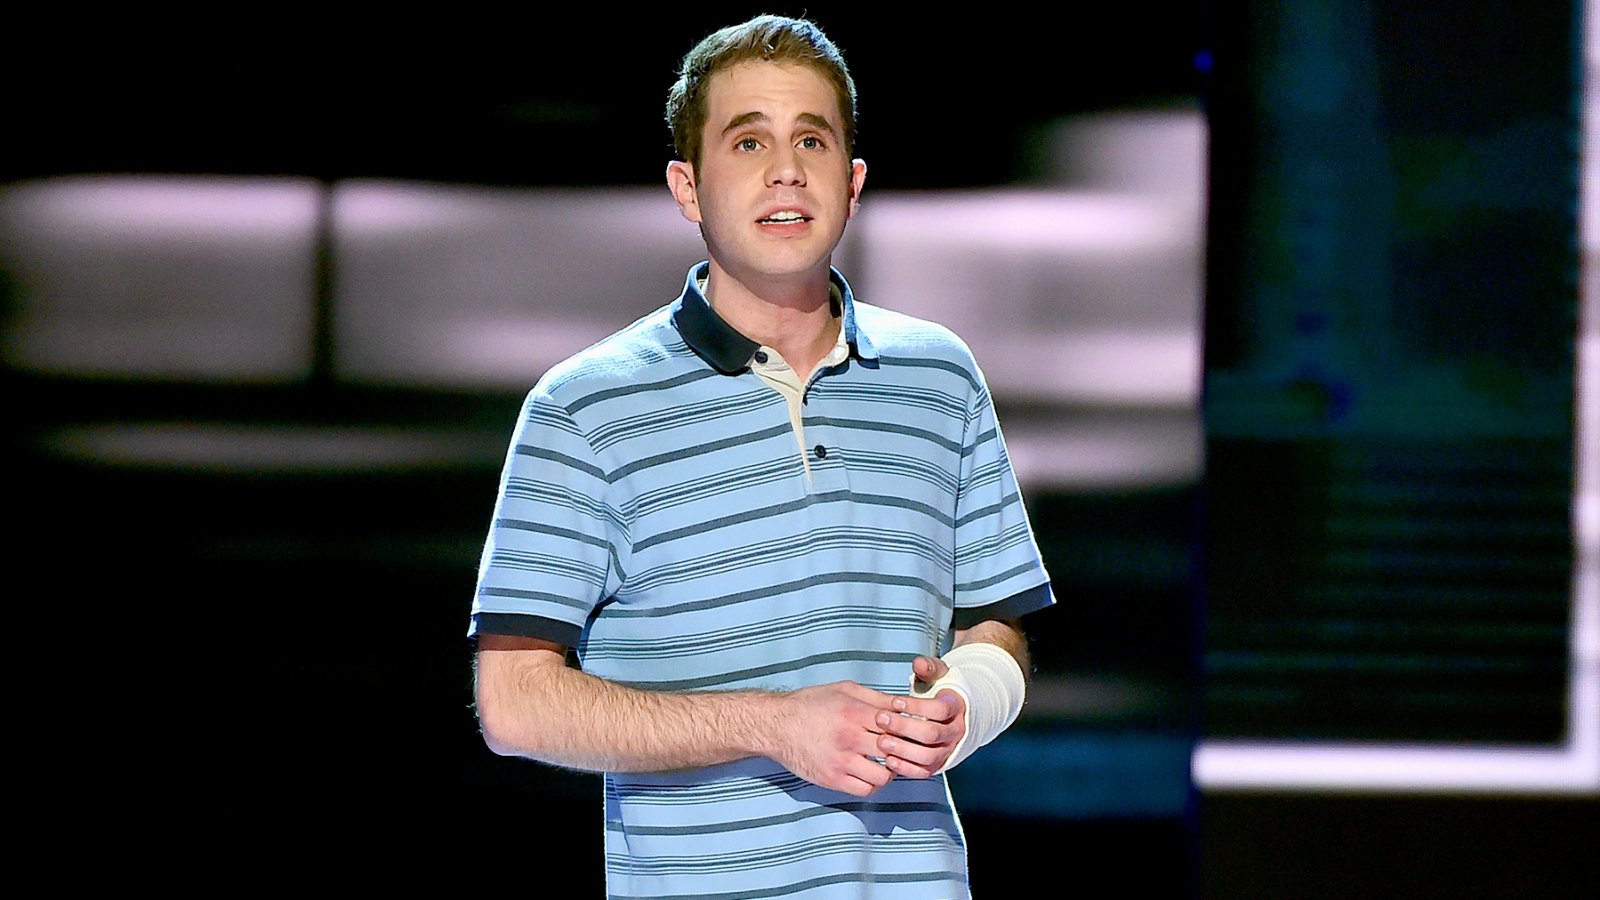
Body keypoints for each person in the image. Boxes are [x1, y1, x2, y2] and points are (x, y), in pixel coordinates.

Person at [470, 14, 1054, 898]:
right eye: (748, 141)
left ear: (852, 183)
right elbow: (513, 704)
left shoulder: (940, 376)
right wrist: (773, 726)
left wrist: (964, 708)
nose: (786, 169)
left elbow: (995, 627)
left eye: (811, 140)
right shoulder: (583, 407)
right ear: (687, 186)